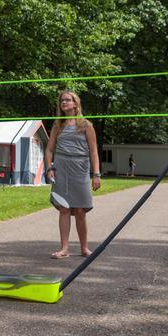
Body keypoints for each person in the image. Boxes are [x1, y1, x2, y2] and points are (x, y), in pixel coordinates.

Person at [44, 90, 101, 259]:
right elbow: (49, 149)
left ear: (76, 103)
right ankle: (64, 249)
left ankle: (84, 248)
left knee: (80, 210)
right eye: (62, 100)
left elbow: (94, 151)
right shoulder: (58, 124)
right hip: (61, 168)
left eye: (68, 100)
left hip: (80, 168)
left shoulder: (86, 125)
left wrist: (96, 174)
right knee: (64, 209)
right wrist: (49, 168)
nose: (64, 103)